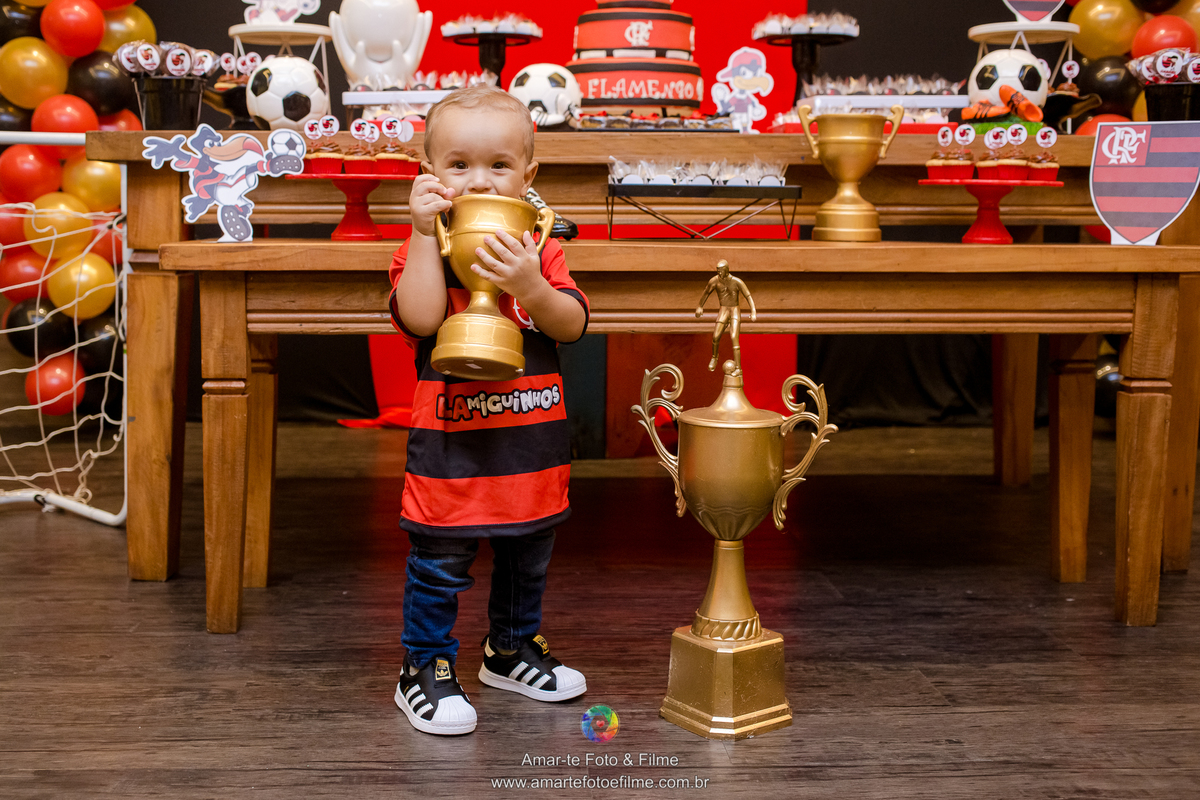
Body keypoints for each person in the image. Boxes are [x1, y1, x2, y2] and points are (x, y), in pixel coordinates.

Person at [387, 85, 590, 736]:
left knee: (527, 558)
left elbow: (572, 324)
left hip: (530, 446)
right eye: (459, 164)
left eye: (498, 166)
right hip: (452, 449)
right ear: (429, 169)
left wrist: (530, 283)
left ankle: (510, 650)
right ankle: (424, 667)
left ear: (529, 177)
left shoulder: (540, 249)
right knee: (441, 564)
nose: (478, 180)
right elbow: (420, 318)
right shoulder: (426, 245)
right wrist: (423, 234)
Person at [695, 259, 757, 373]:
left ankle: (738, 368)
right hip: (723, 309)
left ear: (726, 270)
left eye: (721, 271)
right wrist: (700, 306)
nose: (719, 273)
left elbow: (748, 295)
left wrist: (753, 311)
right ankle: (714, 357)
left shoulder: (736, 281)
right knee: (715, 336)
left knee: (734, 338)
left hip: (734, 310)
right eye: (717, 271)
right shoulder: (714, 281)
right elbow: (706, 292)